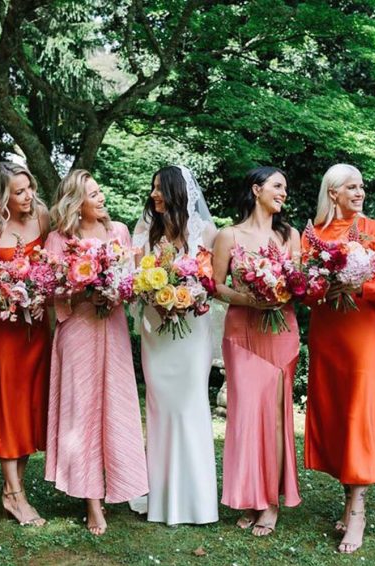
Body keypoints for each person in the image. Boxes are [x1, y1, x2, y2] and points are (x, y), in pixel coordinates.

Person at [43, 169, 148, 536]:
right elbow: (52, 288)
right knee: (82, 410)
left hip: (114, 327)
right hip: (79, 329)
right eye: (93, 194)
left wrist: (115, 291)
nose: (101, 198)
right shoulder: (59, 238)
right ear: (76, 202)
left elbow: (131, 282)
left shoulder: (118, 231)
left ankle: (119, 483)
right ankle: (91, 501)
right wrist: (84, 290)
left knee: (116, 408)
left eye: (101, 190)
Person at [302, 164, 375, 553]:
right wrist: (325, 287)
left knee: (359, 410)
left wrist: (359, 285)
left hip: (363, 332)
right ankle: (348, 499)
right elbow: (303, 290)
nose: (359, 193)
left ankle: (357, 511)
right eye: (351, 187)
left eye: (361, 187)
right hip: (328, 332)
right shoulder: (314, 235)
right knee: (339, 413)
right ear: (333, 193)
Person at [211, 165, 302, 537]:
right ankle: (249, 496)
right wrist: (249, 297)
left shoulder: (290, 235)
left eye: (285, 187)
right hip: (242, 331)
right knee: (246, 414)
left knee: (276, 416)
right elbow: (216, 285)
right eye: (278, 186)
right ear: (257, 189)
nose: (284, 193)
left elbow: (299, 282)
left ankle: (269, 503)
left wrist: (280, 292)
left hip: (282, 331)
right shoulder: (228, 235)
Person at [130, 165, 219, 525]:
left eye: (160, 189)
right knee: (160, 408)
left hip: (192, 332)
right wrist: (154, 294)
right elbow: (134, 281)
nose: (154, 195)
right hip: (157, 331)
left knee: (191, 405)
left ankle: (197, 501)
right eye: (152, 188)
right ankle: (162, 497)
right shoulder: (145, 233)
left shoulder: (207, 233)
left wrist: (188, 295)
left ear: (178, 192)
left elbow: (210, 282)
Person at [0, 161, 51, 527]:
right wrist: (4, 289)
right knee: (9, 403)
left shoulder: (44, 218)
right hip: (6, 328)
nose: (28, 196)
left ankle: (15, 487)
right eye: (19, 192)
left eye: (29, 187)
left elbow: (53, 265)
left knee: (33, 405)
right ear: (1, 195)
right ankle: (14, 494)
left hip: (39, 326)